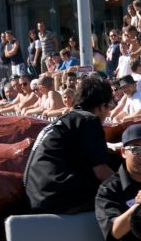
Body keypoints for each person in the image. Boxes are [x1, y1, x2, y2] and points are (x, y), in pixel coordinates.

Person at [23, 76, 117, 214]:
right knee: (118, 194)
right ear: (102, 106)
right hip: (57, 197)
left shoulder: (64, 120)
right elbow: (101, 171)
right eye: (109, 106)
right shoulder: (89, 120)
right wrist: (132, 189)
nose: (109, 111)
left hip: (34, 196)